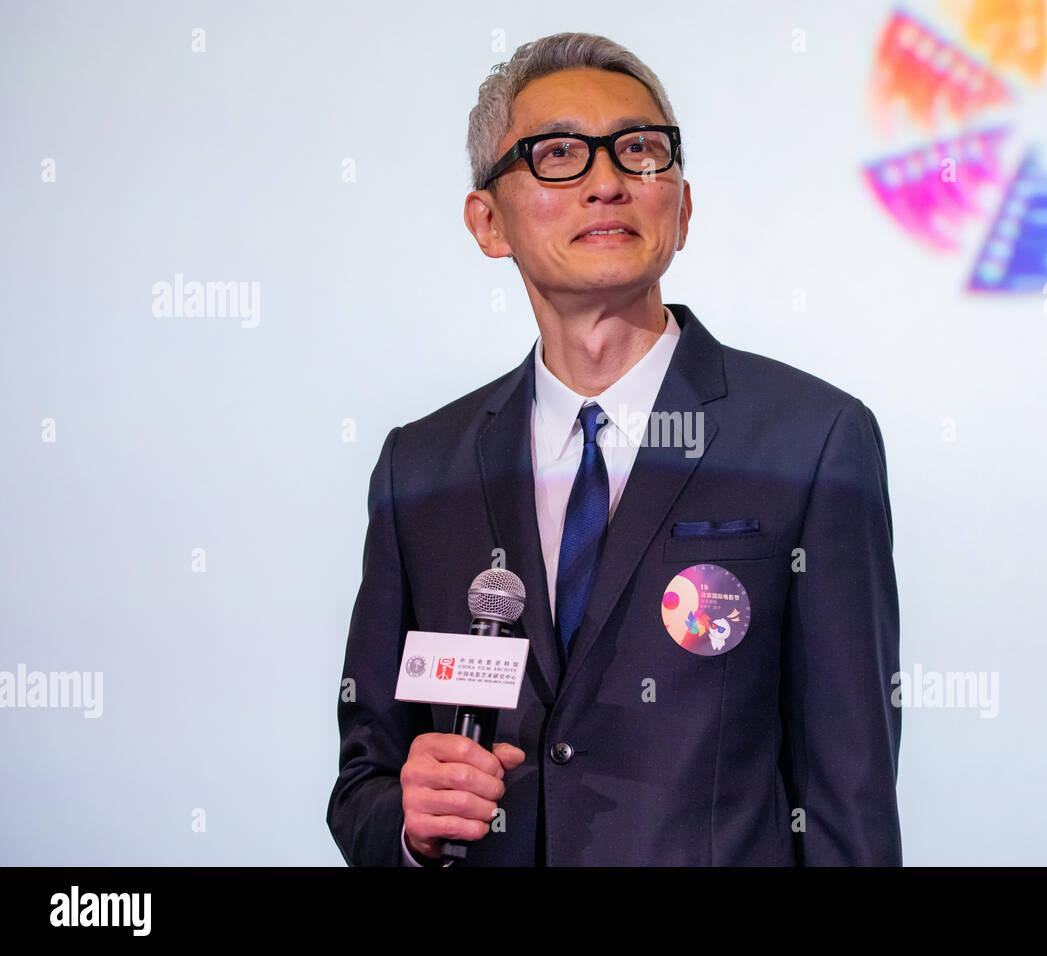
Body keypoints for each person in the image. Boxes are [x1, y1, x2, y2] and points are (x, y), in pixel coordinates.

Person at [326, 31, 902, 866]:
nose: (606, 181)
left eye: (640, 151)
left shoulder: (810, 441)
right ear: (488, 222)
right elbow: (364, 784)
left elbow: (849, 799)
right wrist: (412, 824)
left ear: (684, 206)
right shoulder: (422, 470)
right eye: (558, 154)